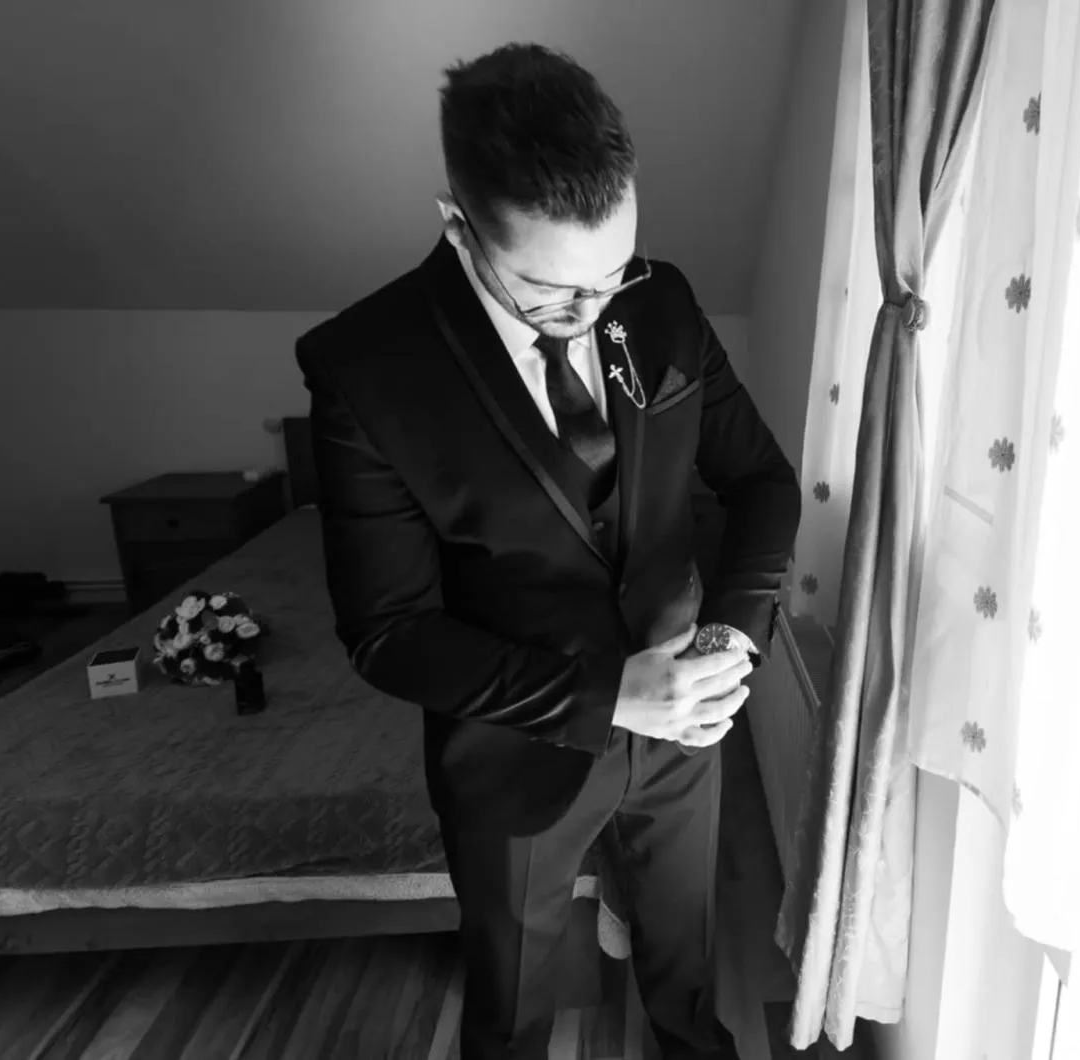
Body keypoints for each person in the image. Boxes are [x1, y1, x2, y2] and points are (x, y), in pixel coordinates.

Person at [296, 41, 801, 1060]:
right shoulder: (365, 368)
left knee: (688, 983)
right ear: (458, 224)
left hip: (687, 727)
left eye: (612, 274)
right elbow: (388, 633)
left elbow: (762, 483)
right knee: (512, 1011)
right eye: (550, 291)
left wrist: (732, 638)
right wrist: (610, 696)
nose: (593, 314)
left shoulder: (660, 301)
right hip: (514, 752)